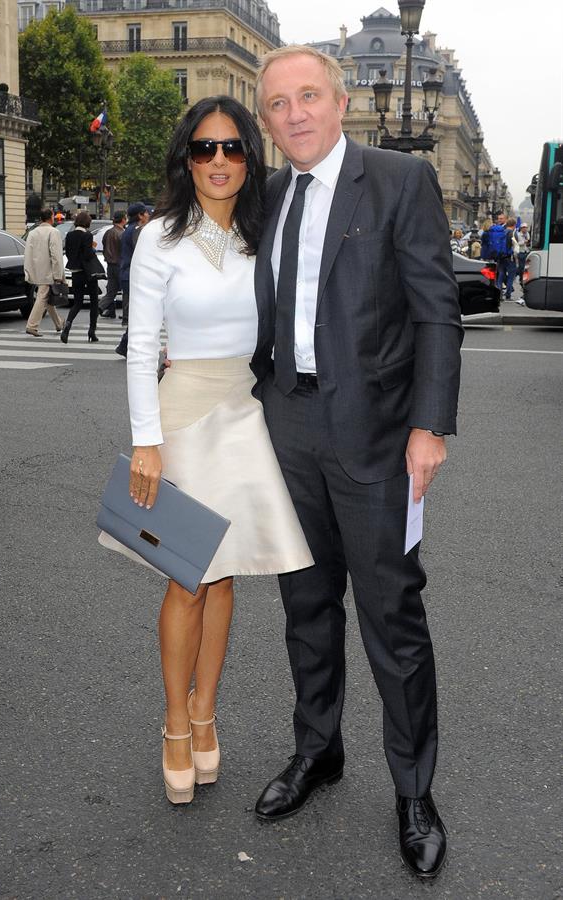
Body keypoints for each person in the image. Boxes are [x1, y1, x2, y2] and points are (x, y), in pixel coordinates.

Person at [250, 46, 463, 879]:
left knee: (393, 621)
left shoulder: (399, 181)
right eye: (278, 103)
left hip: (376, 438)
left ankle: (414, 790)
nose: (294, 113)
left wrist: (430, 426)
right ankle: (319, 750)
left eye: (309, 96)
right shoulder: (266, 196)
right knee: (305, 607)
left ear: (342, 103)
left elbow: (436, 311)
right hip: (286, 430)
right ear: (266, 120)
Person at [98, 96, 313, 807]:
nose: (218, 161)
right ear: (185, 159)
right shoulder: (159, 238)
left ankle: (205, 710)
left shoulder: (265, 235)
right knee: (185, 577)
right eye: (203, 148)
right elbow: (138, 351)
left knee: (223, 579)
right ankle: (171, 722)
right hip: (183, 413)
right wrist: (145, 442)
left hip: (244, 413)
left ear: (250, 158)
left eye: (231, 148)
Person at [114, 202, 151, 357]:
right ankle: (125, 344)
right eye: (146, 213)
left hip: (127, 274)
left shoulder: (128, 230)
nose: (149, 215)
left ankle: (126, 345)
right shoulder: (136, 231)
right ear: (140, 216)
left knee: (138, 312)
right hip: (133, 275)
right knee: (139, 313)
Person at [23, 207, 65, 337]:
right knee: (43, 297)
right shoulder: (54, 232)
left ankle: (59, 323)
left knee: (47, 297)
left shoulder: (33, 232)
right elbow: (56, 255)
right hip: (49, 270)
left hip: (36, 270)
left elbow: (27, 253)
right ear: (51, 217)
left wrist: (28, 271)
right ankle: (32, 325)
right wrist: (58, 275)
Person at [62, 210, 101, 343]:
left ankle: (67, 326)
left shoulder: (70, 235)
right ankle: (92, 331)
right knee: (94, 301)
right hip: (88, 272)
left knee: (77, 302)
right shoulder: (88, 235)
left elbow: (67, 252)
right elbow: (88, 255)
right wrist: (93, 250)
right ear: (87, 223)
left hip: (76, 271)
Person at [98, 210, 127, 318]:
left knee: (111, 291)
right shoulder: (122, 233)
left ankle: (103, 308)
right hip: (120, 265)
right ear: (123, 219)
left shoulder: (108, 232)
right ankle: (126, 314)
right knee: (126, 291)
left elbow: (104, 246)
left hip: (110, 264)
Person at [515, 222, 530, 287]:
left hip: (526, 251)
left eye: (526, 228)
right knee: (521, 267)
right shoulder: (518, 234)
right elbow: (517, 243)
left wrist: (528, 243)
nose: (525, 229)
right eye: (524, 228)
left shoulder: (527, 234)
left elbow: (529, 241)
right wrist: (524, 242)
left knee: (525, 267)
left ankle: (522, 278)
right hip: (520, 252)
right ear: (521, 228)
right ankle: (520, 278)